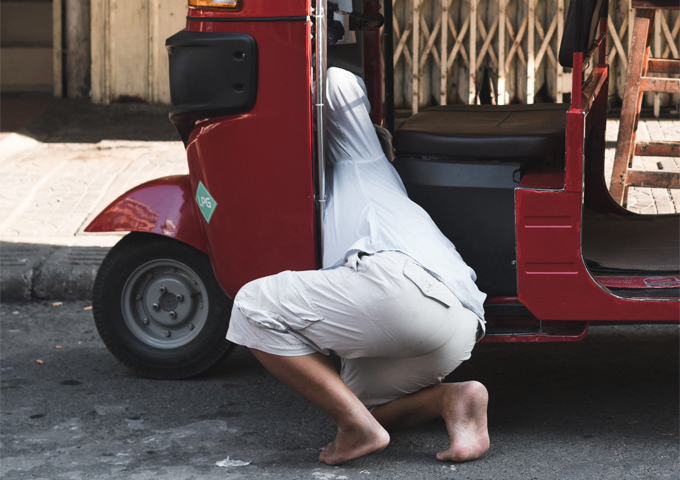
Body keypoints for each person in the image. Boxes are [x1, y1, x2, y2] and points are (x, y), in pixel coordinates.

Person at [226, 67, 490, 465]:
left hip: (400, 287)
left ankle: (357, 429)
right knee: (353, 402)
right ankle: (455, 398)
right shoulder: (362, 193)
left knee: (251, 305)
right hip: (457, 324)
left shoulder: (362, 160)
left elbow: (336, 81)